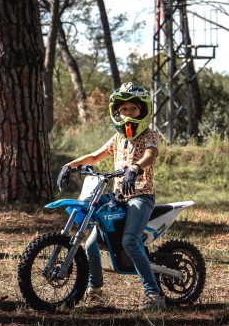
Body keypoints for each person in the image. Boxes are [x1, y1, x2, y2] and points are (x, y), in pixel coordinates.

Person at [56, 83, 167, 311]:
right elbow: (96, 156)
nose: (127, 114)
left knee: (129, 241)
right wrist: (70, 165)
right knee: (90, 245)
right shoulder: (117, 138)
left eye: (133, 109)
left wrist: (134, 168)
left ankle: (154, 295)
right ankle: (95, 292)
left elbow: (150, 155)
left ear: (143, 111)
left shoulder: (149, 135)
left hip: (141, 197)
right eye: (123, 110)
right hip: (118, 198)